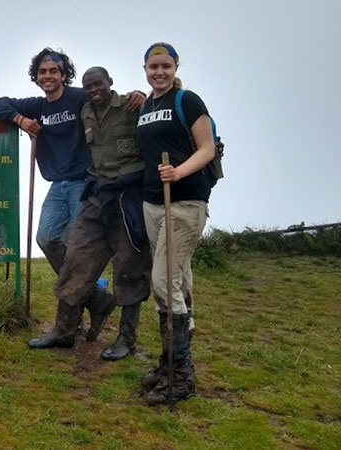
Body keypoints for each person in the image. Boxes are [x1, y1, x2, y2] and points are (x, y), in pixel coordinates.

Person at [0, 48, 145, 348]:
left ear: (63, 74)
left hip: (85, 183)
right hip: (57, 185)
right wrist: (21, 119)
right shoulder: (37, 105)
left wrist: (137, 94)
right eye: (43, 72)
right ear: (37, 77)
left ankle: (67, 327)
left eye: (54, 71)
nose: (48, 76)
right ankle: (96, 299)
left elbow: (109, 99)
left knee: (78, 254)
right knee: (46, 238)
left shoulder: (79, 96)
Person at [135, 43, 215, 405]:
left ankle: (181, 374)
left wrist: (178, 171)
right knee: (176, 279)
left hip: (185, 201)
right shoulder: (146, 106)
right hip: (153, 202)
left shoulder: (188, 100)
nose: (159, 72)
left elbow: (207, 148)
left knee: (163, 279)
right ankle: (168, 361)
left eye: (165, 66)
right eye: (153, 66)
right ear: (145, 68)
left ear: (175, 66)